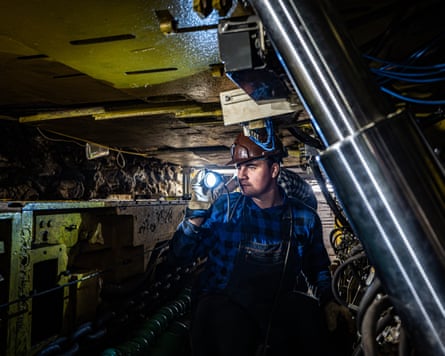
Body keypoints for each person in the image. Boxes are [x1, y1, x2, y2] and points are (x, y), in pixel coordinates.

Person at [169, 128, 352, 356]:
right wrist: (195, 216)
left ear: (274, 170)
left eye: (251, 166)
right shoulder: (225, 209)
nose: (241, 175)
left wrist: (328, 300)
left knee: (316, 322)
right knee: (222, 318)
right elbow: (180, 257)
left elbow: (317, 269)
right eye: (238, 167)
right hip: (224, 313)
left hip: (276, 307)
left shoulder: (304, 218)